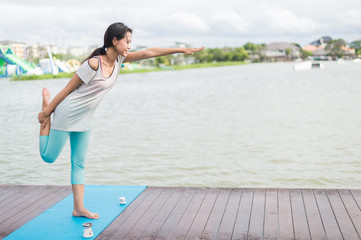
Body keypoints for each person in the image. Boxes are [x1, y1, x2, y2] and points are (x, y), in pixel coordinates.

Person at [38, 22, 204, 219]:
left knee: (79, 163)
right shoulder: (93, 64)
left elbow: (147, 53)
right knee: (48, 157)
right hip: (67, 113)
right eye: (127, 42)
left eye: (131, 42)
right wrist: (47, 113)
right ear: (115, 40)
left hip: (85, 118)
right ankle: (45, 115)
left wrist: (179, 49)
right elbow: (67, 90)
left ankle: (79, 208)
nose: (129, 46)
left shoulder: (119, 61)